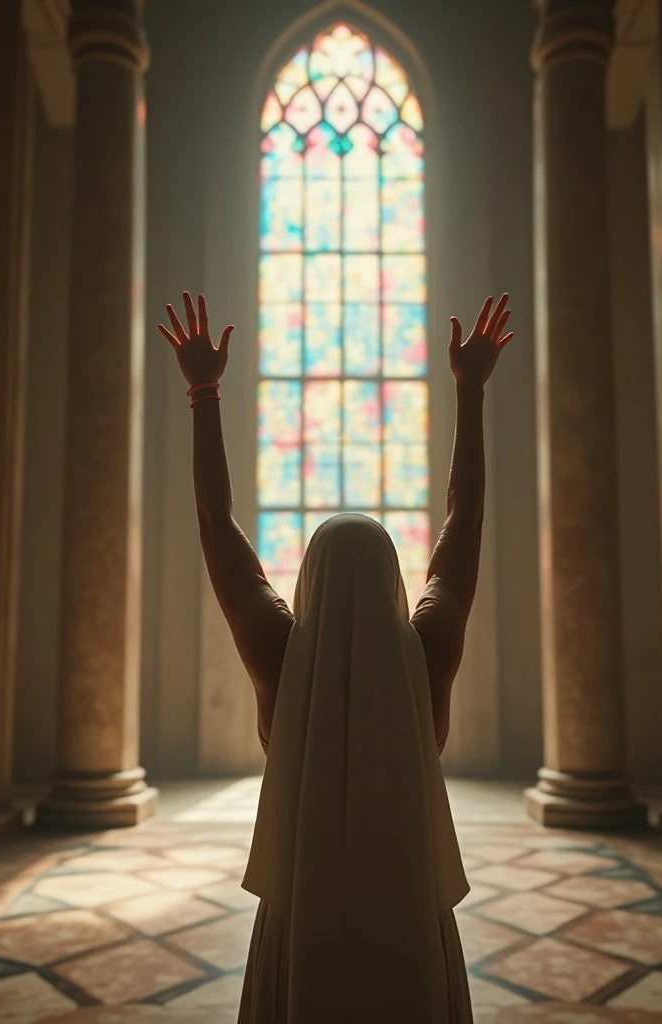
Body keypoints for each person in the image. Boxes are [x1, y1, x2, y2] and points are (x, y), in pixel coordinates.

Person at [159, 292, 513, 1023]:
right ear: (393, 582)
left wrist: (204, 393)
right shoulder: (430, 650)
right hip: (411, 915)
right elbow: (463, 523)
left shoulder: (279, 655)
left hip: (301, 917)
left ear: (307, 581)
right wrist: (471, 393)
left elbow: (213, 523)